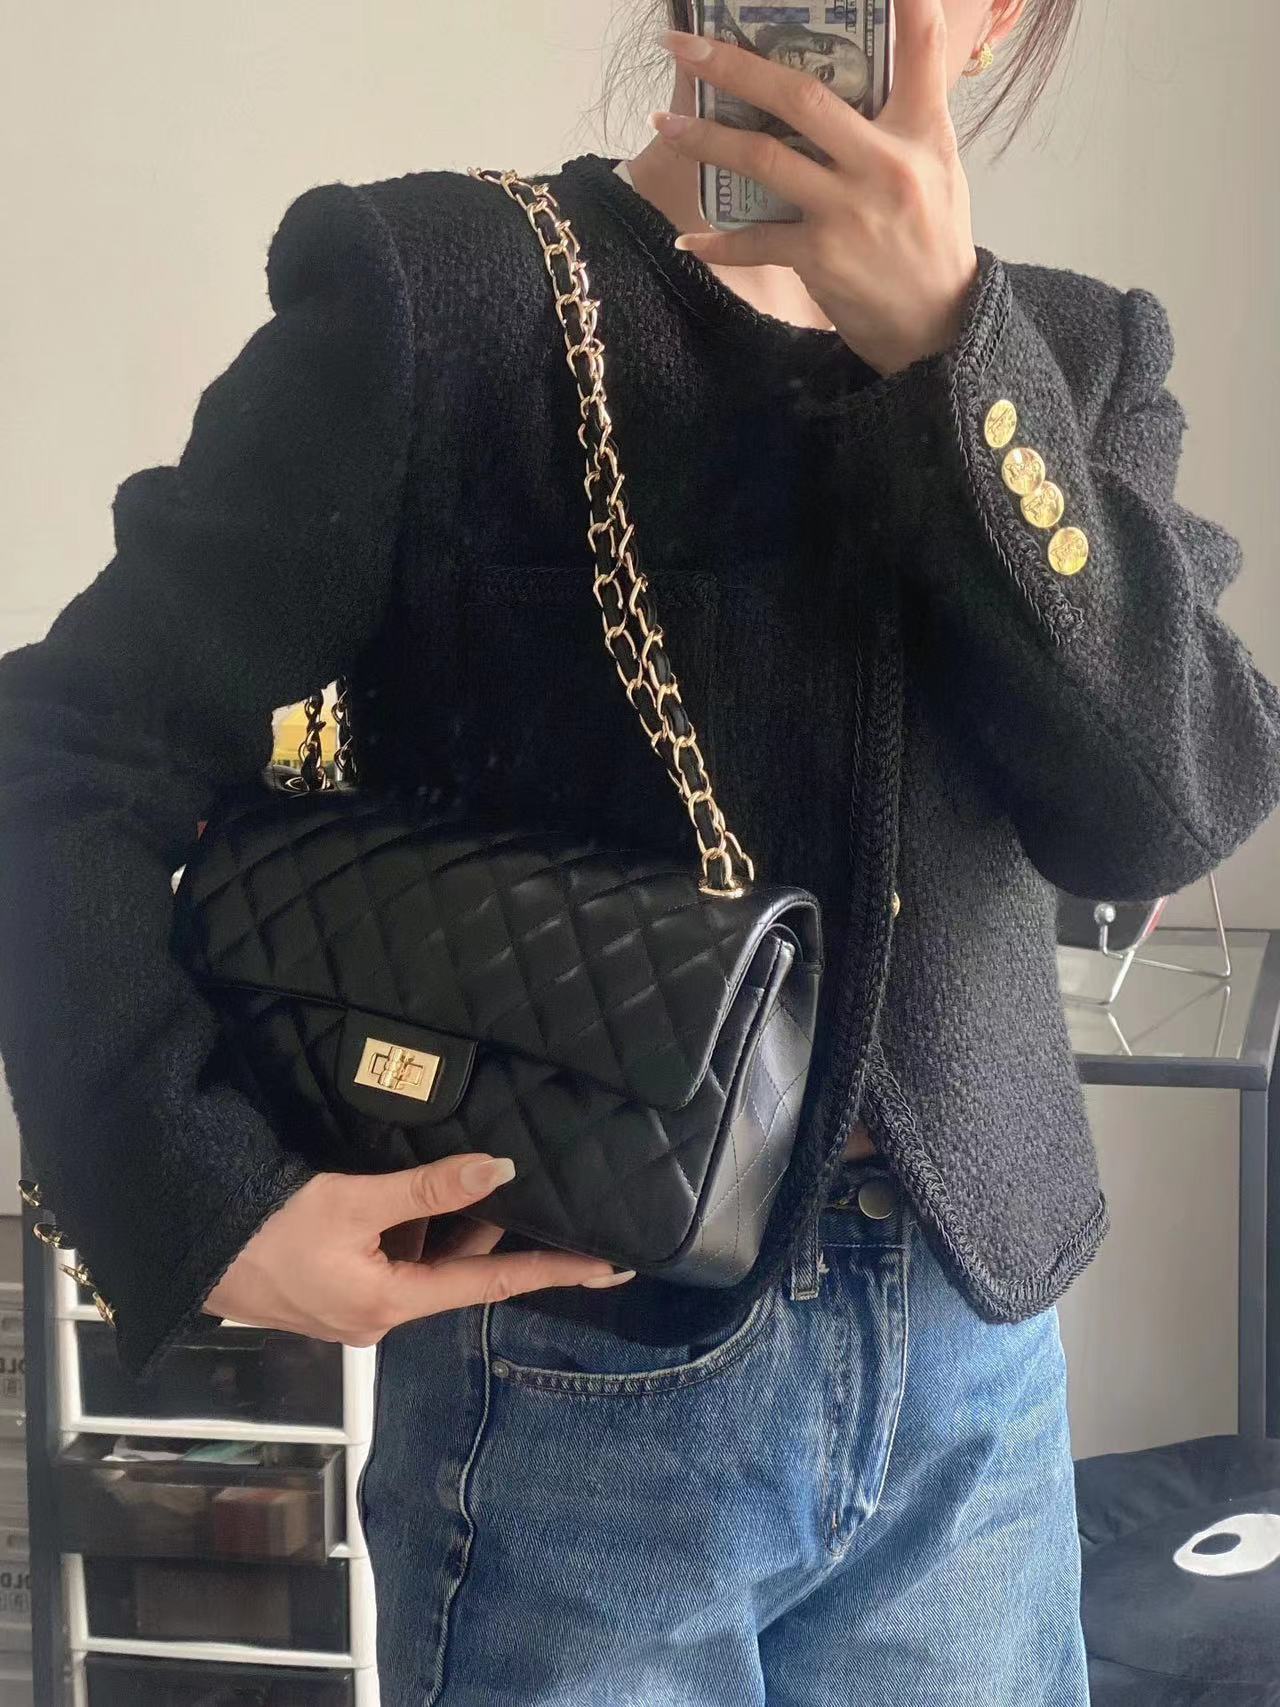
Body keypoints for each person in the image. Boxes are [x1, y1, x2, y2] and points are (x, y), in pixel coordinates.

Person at [2, 1, 1279, 1702]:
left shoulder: (1073, 358)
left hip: (973, 1380)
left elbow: (1165, 812)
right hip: (566, 1380)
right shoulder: (440, 298)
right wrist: (204, 1195)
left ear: (995, 26)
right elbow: (64, 751)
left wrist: (955, 365)